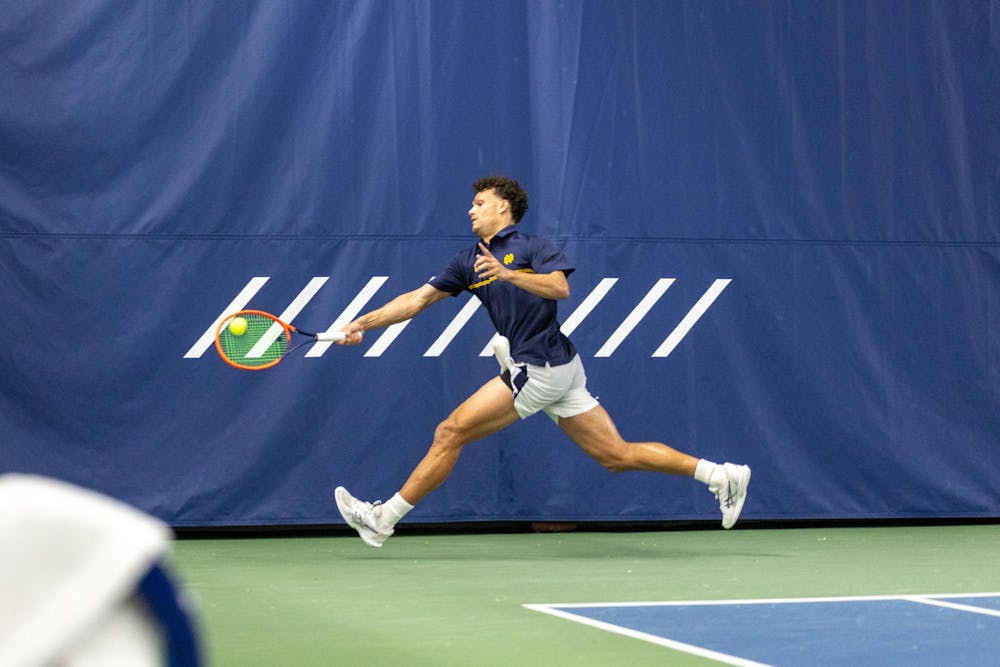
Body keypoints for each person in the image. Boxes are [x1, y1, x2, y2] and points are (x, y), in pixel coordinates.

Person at [334, 175, 750, 547]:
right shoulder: (468, 259)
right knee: (616, 455)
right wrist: (364, 323)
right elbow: (417, 299)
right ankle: (719, 475)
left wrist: (509, 274)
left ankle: (381, 520)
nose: (470, 210)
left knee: (450, 432)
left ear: (503, 206)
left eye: (479, 203)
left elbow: (559, 288)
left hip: (541, 369)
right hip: (558, 369)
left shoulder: (532, 247)